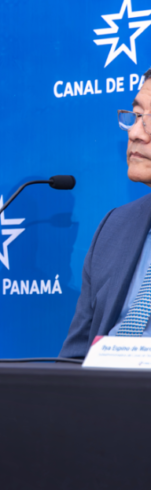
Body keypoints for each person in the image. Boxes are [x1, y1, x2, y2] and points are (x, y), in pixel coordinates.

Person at [61, 71, 151, 357]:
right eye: (136, 115)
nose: (135, 132)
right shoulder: (114, 227)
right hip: (100, 395)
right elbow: (74, 358)